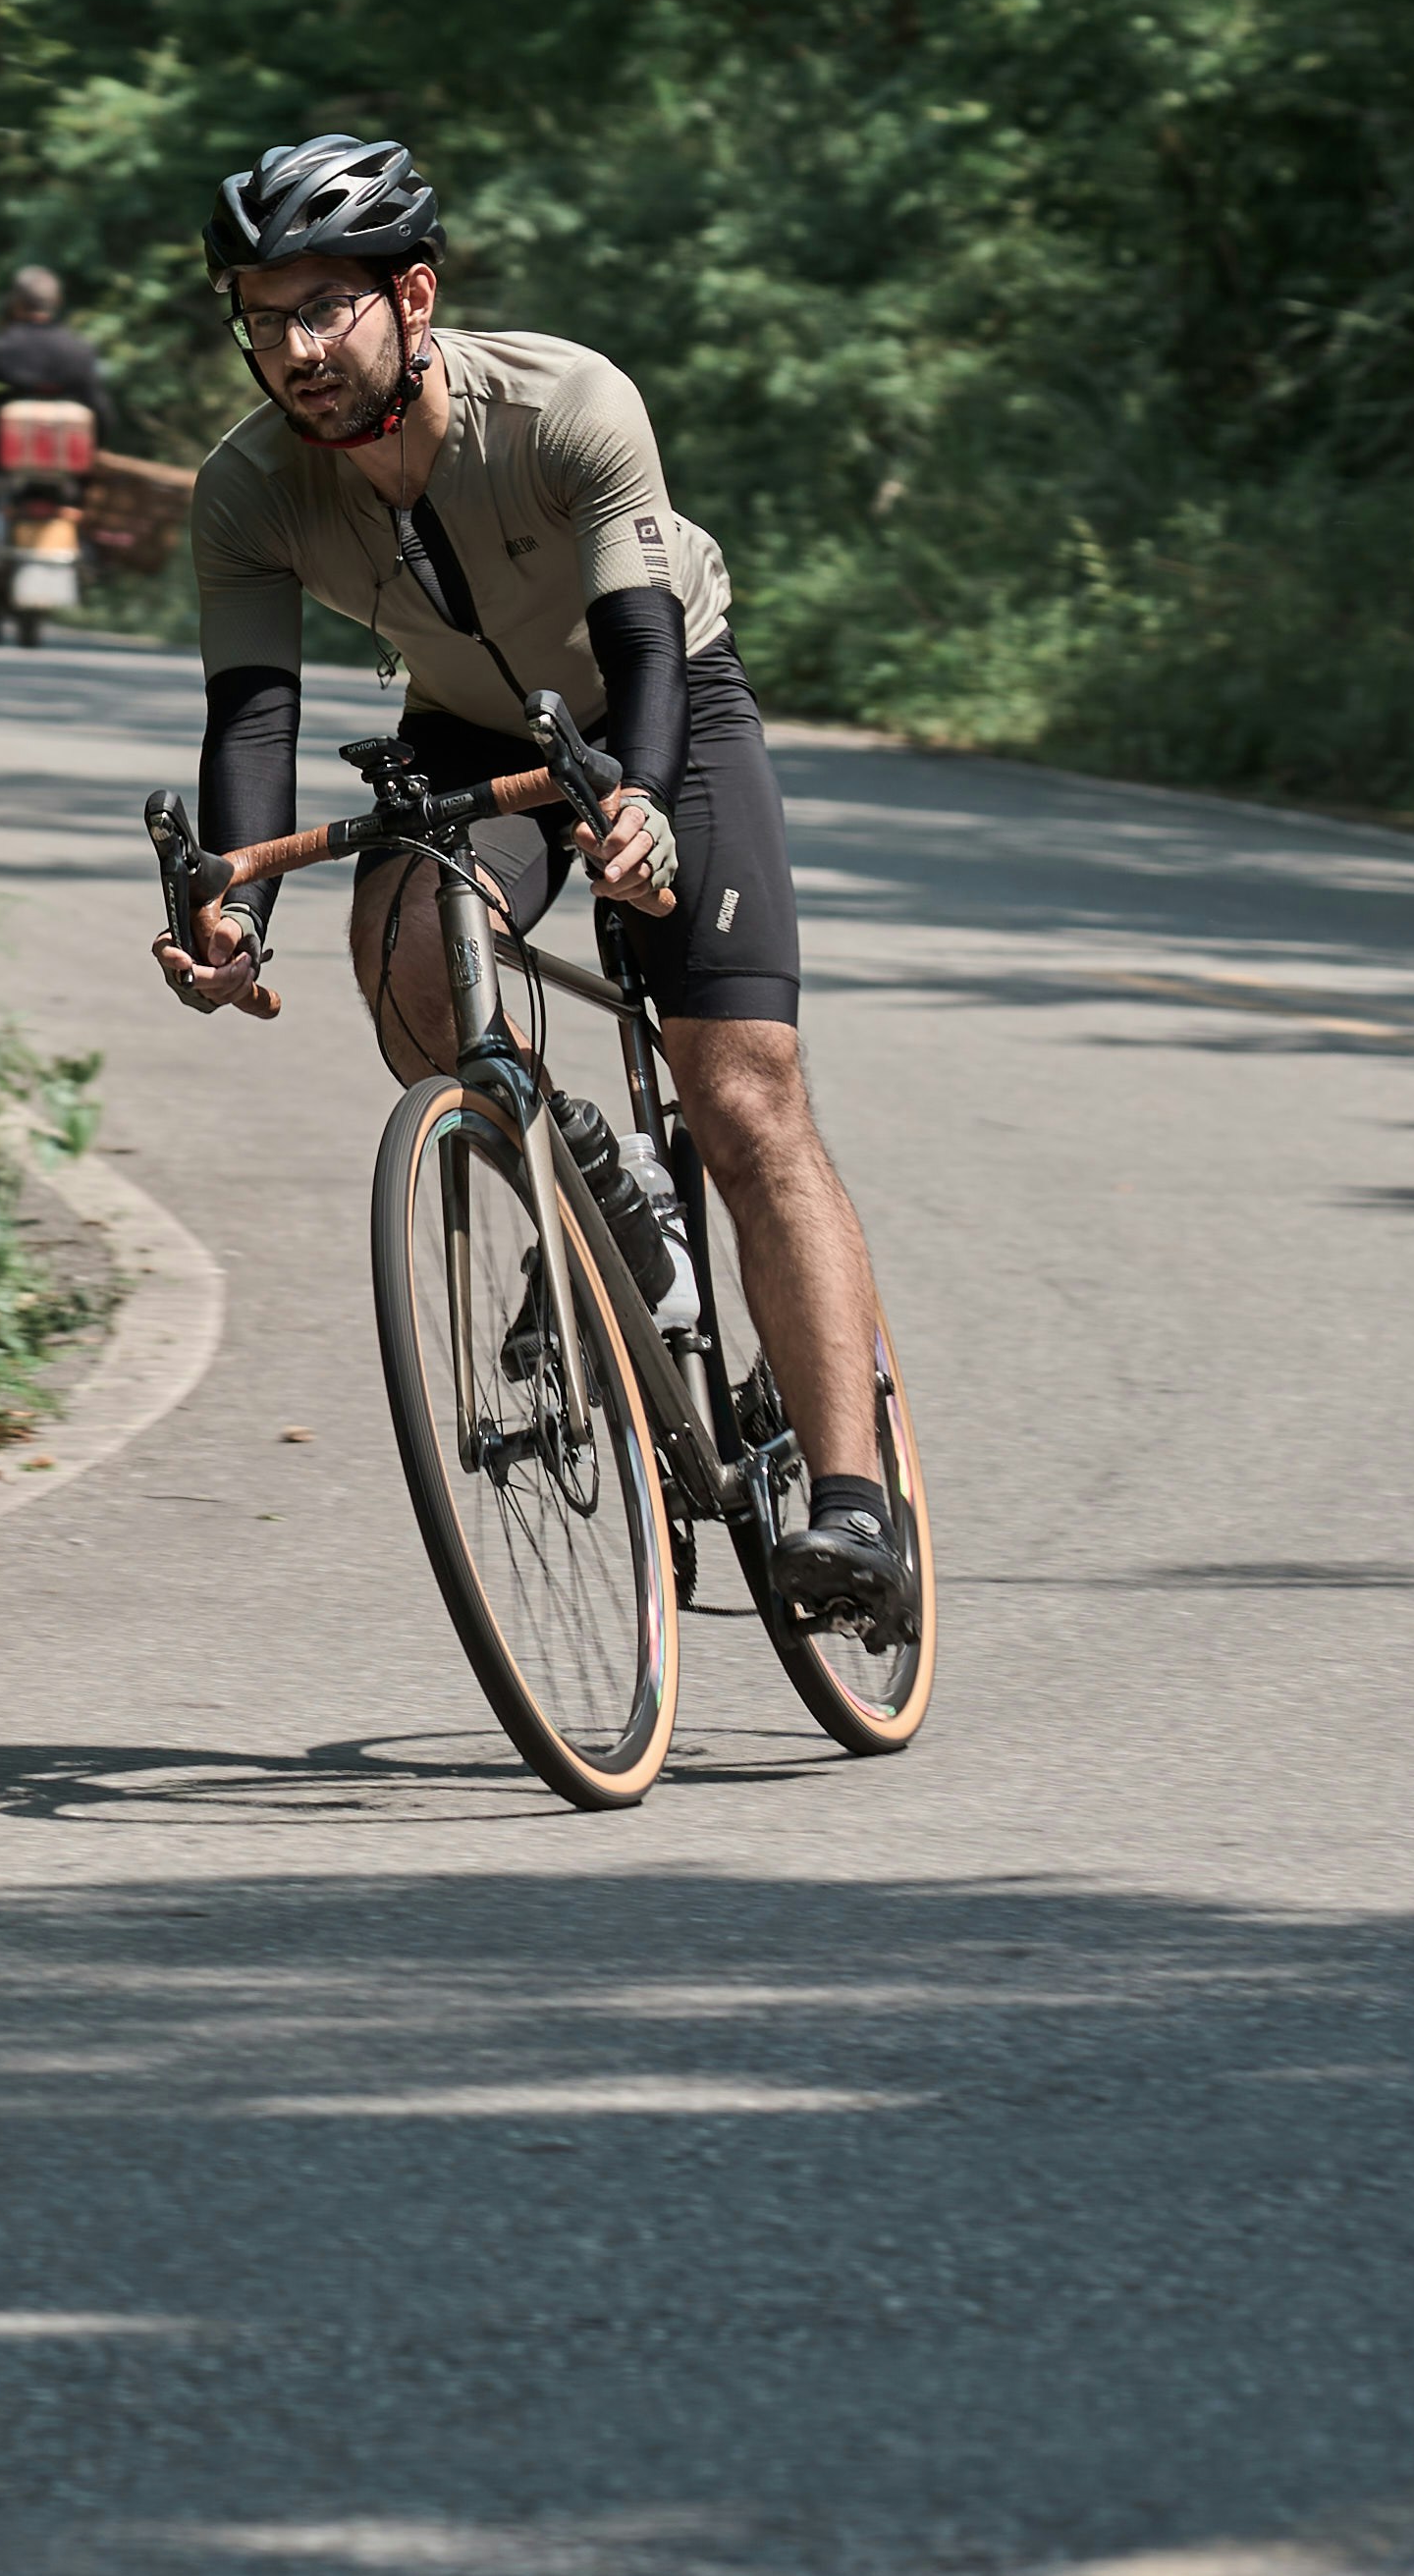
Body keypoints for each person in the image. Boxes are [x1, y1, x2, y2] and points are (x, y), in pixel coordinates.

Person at [144, 134, 909, 1597]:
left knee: (742, 1087)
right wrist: (231, 901)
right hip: (468, 731)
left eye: (323, 309)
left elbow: (638, 642)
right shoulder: (244, 491)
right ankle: (600, 1187)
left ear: (411, 295)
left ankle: (854, 1504)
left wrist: (637, 803)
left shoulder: (564, 403)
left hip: (662, 700)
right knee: (416, 979)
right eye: (261, 319)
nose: (292, 349)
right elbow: (254, 711)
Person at [0, 264, 126, 586]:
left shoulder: (2, 348)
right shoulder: (79, 350)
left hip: (1, 455)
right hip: (70, 459)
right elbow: (100, 410)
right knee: (89, 491)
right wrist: (97, 446)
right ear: (56, 302)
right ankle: (90, 545)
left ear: (16, 302)